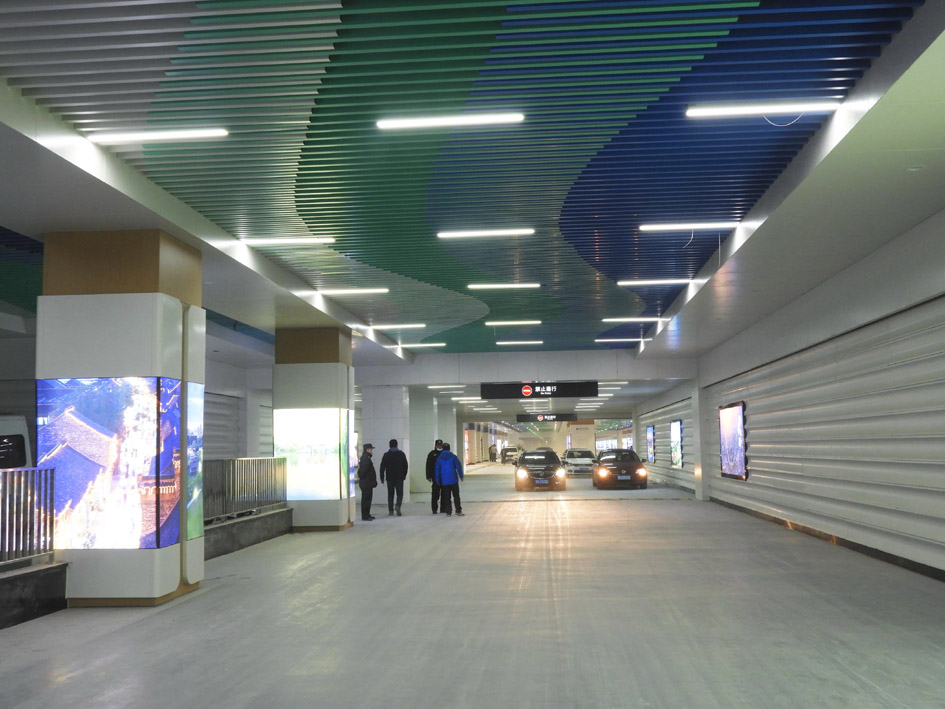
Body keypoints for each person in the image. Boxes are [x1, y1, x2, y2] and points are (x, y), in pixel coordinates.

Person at [379, 438, 408, 516]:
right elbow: (405, 466)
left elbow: (382, 467)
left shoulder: (386, 455)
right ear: (397, 445)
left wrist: (382, 477)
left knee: (390, 494)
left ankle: (390, 511)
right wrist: (404, 475)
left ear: (389, 445)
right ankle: (398, 506)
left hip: (390, 478)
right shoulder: (401, 454)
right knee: (400, 494)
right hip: (399, 477)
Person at [434, 442, 464, 517]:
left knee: (447, 497)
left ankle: (448, 512)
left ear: (442, 448)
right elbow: (458, 466)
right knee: (456, 496)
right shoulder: (453, 456)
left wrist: (437, 479)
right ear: (449, 448)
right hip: (453, 479)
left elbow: (437, 470)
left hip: (444, 481)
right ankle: (458, 510)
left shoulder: (439, 458)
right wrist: (461, 475)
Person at [357, 443, 377, 521]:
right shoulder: (365, 459)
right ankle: (365, 516)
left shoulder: (366, 458)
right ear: (368, 449)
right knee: (366, 500)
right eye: (371, 449)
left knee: (368, 500)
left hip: (367, 482)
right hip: (366, 483)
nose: (372, 451)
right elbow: (362, 471)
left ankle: (367, 514)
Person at [425, 439, 443, 514]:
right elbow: (428, 465)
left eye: (440, 445)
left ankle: (443, 508)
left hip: (443, 476)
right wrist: (428, 476)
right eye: (438, 445)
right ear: (435, 445)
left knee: (444, 493)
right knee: (435, 494)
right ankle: (434, 509)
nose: (439, 446)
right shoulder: (432, 454)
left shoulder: (444, 453)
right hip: (435, 476)